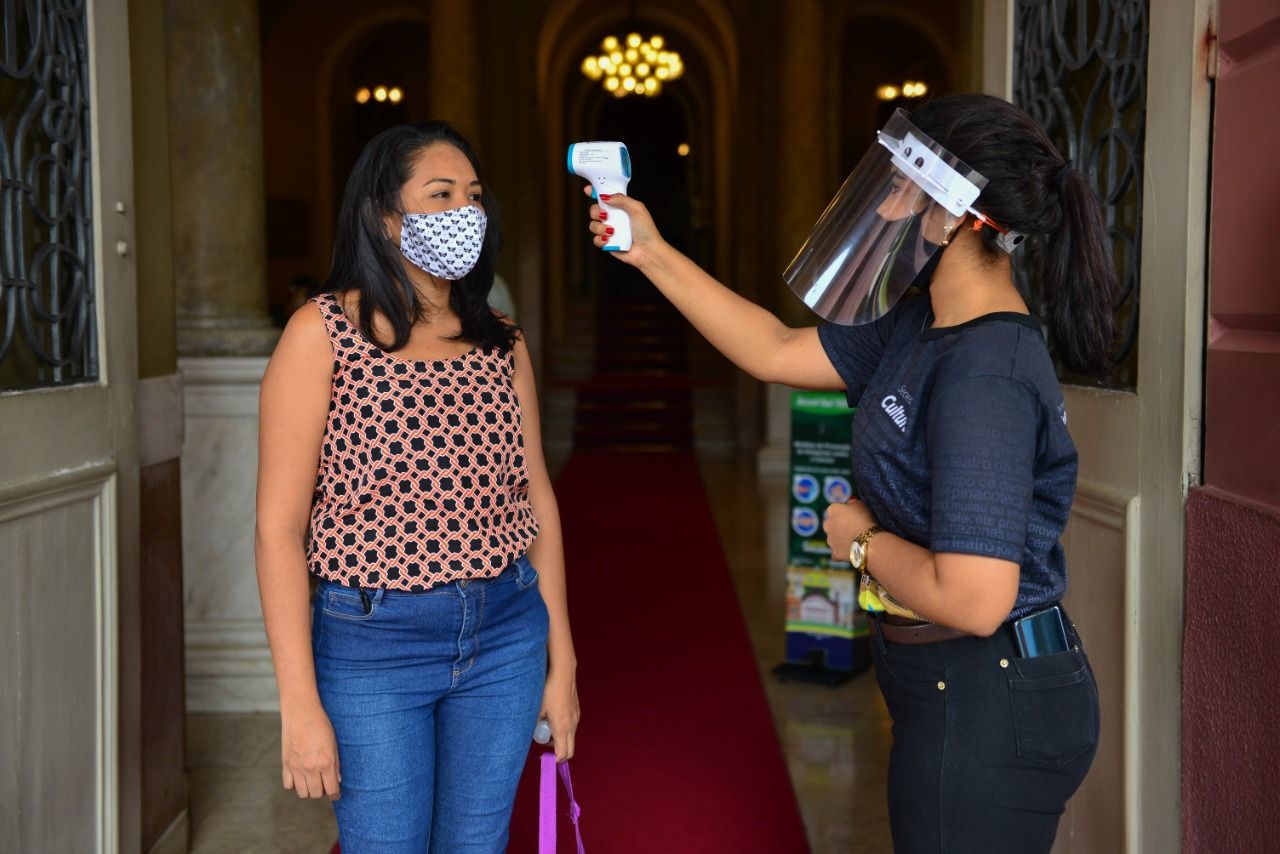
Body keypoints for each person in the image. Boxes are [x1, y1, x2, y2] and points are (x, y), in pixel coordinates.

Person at [581, 94, 1106, 852]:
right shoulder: (923, 321)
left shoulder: (985, 374)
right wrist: (651, 251)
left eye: (899, 183)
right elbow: (771, 348)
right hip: (953, 686)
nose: (886, 202)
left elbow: (977, 597)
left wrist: (859, 541)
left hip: (990, 698)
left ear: (954, 213)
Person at [256, 121, 579, 853]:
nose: (466, 211)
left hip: (505, 633)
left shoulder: (502, 339)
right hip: (373, 644)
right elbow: (279, 528)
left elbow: (538, 504)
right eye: (440, 194)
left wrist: (564, 662)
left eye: (473, 196)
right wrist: (298, 703)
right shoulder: (321, 334)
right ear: (384, 215)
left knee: (477, 844)